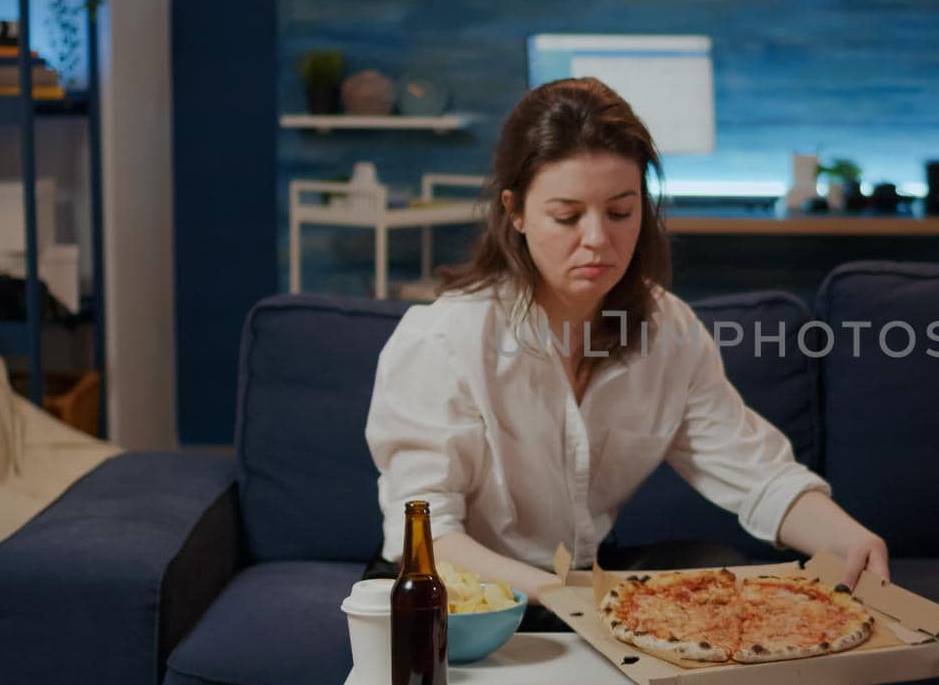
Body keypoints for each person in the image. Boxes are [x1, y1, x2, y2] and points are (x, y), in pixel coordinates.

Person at [365, 78, 888, 624]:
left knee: (720, 569)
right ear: (515, 212)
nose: (598, 239)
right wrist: (564, 598)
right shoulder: (442, 340)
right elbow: (425, 536)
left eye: (620, 212)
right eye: (567, 217)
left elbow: (758, 474)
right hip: (461, 595)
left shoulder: (668, 332)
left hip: (576, 587)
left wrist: (847, 538)